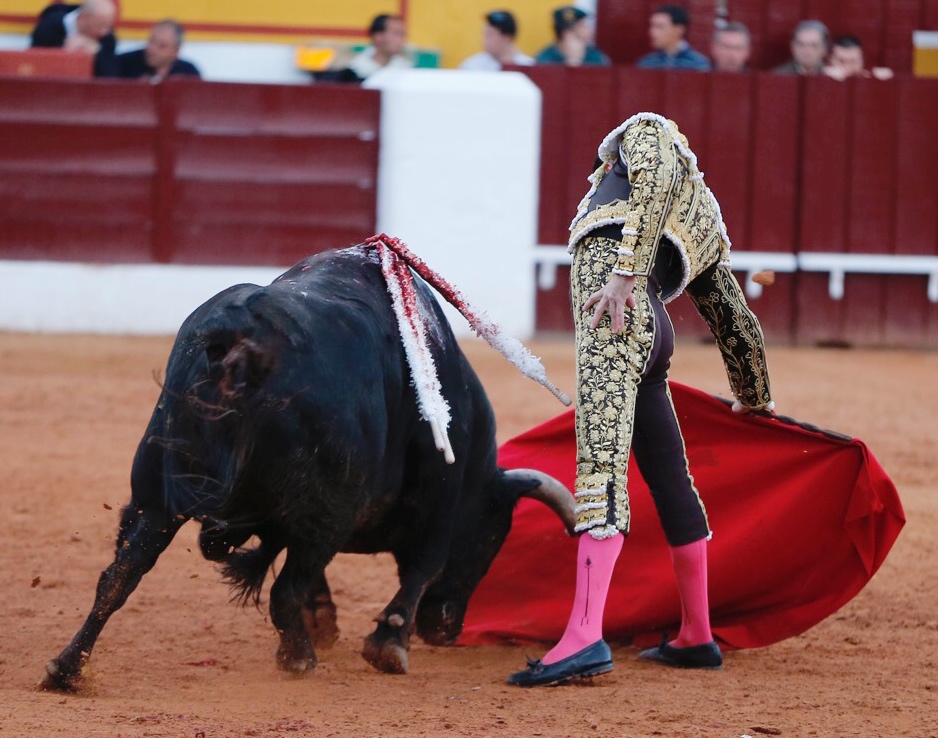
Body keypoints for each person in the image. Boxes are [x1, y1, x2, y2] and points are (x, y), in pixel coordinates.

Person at [507, 112, 774, 687]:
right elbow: (735, 318)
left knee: (601, 464)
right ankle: (696, 634)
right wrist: (755, 395)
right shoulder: (701, 216)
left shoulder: (645, 130)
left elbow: (648, 183)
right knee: (671, 478)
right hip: (654, 327)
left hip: (616, 310)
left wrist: (625, 276)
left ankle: (583, 636)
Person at [30, 0, 119, 77]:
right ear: (84, 18)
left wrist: (97, 53)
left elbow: (110, 78)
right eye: (100, 25)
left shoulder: (108, 38)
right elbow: (34, 64)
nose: (104, 32)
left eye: (109, 26)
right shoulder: (48, 27)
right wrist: (64, 52)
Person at [117, 20, 200, 82]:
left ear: (175, 51)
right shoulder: (124, 64)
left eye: (162, 46)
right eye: (151, 41)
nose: (152, 49)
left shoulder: (189, 74)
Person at [636, 5, 710, 71]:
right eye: (652, 26)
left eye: (659, 27)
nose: (652, 32)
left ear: (679, 29)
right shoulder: (646, 63)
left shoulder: (698, 64)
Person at [535, 5, 610, 67]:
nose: (588, 30)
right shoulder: (545, 58)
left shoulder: (596, 57)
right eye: (582, 26)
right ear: (567, 33)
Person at [459, 10, 534, 71]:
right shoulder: (471, 67)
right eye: (484, 34)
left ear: (508, 38)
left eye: (490, 35)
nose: (484, 40)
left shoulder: (529, 66)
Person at [347, 14, 412, 81]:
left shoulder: (406, 69)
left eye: (403, 35)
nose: (402, 40)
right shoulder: (355, 71)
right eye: (397, 34)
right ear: (378, 36)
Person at [824, 34, 894, 80]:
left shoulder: (869, 78)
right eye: (841, 61)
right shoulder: (821, 74)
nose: (848, 68)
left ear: (862, 61)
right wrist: (822, 74)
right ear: (829, 60)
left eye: (853, 62)